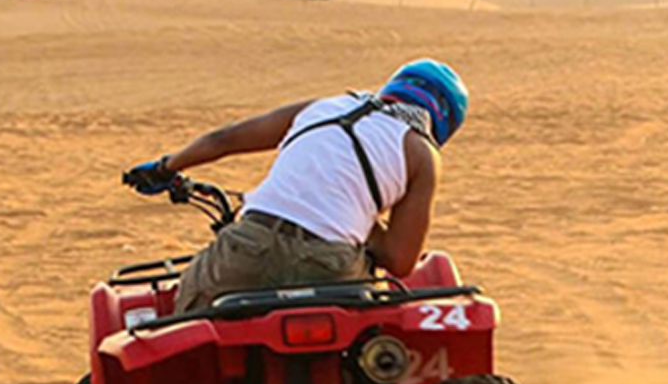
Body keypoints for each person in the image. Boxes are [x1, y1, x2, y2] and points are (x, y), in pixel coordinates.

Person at [124, 59, 470, 314]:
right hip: (333, 269)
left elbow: (223, 139)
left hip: (247, 251)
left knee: (186, 315)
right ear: (444, 121)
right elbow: (400, 260)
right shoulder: (422, 155)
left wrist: (164, 168)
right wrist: (357, 215)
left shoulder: (324, 107)